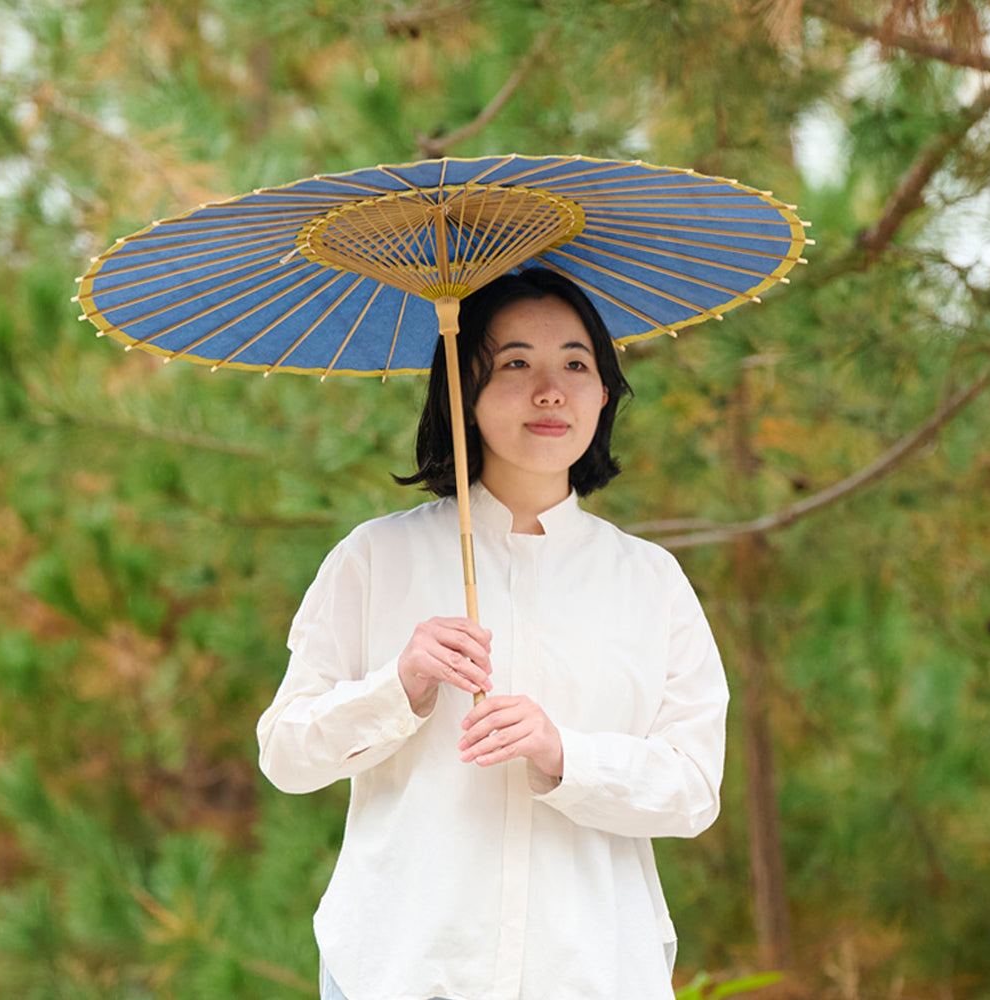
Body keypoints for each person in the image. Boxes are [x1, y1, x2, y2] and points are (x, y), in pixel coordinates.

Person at [257, 269, 729, 1000]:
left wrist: (562, 753)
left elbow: (695, 788)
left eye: (576, 364)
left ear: (605, 392)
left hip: (594, 973)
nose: (550, 390)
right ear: (463, 392)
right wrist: (401, 686)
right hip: (401, 971)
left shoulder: (650, 580)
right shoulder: (375, 558)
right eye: (514, 363)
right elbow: (286, 754)